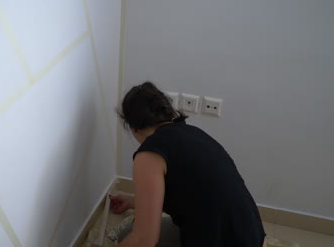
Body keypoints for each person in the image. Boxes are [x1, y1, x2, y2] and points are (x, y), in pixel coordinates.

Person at [93, 82, 267, 247]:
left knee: (132, 238)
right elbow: (192, 194)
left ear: (133, 127)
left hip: (226, 241)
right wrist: (132, 201)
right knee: (128, 234)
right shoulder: (192, 133)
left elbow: (145, 240)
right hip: (252, 236)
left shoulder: (149, 154)